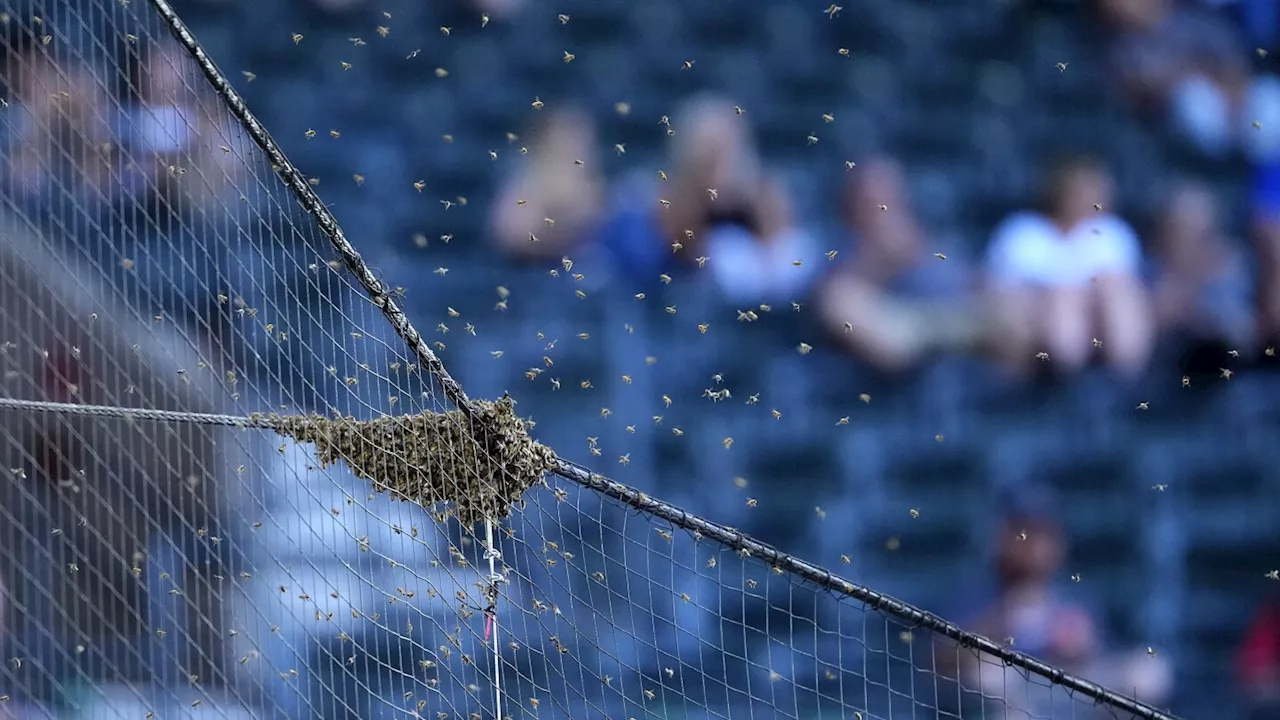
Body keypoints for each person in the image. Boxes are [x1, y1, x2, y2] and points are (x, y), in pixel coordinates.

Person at [984, 154, 1154, 378]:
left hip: (1095, 324)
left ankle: (1124, 380)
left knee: (1115, 294)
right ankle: (1062, 377)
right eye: (1084, 190)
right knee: (1061, 300)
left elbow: (1122, 288)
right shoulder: (1023, 232)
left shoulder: (1112, 233)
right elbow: (998, 290)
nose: (1094, 197)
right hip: (1033, 322)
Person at [816, 156, 982, 372]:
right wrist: (882, 262)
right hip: (891, 364)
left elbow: (979, 296)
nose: (883, 211)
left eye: (890, 200)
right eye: (870, 204)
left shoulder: (936, 251)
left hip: (955, 348)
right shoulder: (837, 271)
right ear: (850, 213)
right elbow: (893, 349)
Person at [488, 106, 604, 261]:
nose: (573, 149)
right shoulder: (524, 187)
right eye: (565, 140)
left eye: (580, 141)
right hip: (532, 273)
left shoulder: (599, 191)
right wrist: (558, 214)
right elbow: (511, 237)